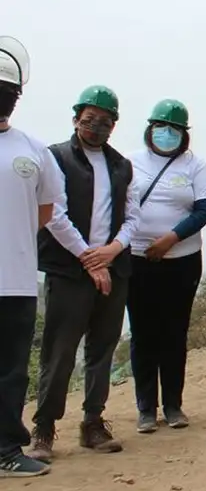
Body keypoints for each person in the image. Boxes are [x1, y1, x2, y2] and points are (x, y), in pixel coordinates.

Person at [29, 85, 140, 462]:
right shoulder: (55, 157)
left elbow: (132, 216)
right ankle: (44, 428)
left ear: (114, 125)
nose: (96, 127)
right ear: (76, 118)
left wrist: (112, 251)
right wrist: (89, 259)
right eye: (90, 119)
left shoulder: (121, 165)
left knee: (102, 348)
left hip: (114, 268)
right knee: (59, 351)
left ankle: (93, 422)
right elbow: (53, 213)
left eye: (105, 121)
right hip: (68, 271)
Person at [126, 99, 206, 433]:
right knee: (143, 334)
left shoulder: (195, 166)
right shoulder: (130, 163)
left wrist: (171, 239)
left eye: (174, 129)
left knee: (174, 333)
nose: (166, 133)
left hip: (182, 262)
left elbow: (205, 210)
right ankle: (146, 408)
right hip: (138, 260)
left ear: (184, 134)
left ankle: (173, 405)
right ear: (150, 129)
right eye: (160, 127)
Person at [0, 37, 60, 477]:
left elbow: (44, 211)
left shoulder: (33, 151)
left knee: (11, 370)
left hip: (16, 279)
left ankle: (6, 449)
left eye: (8, 90)